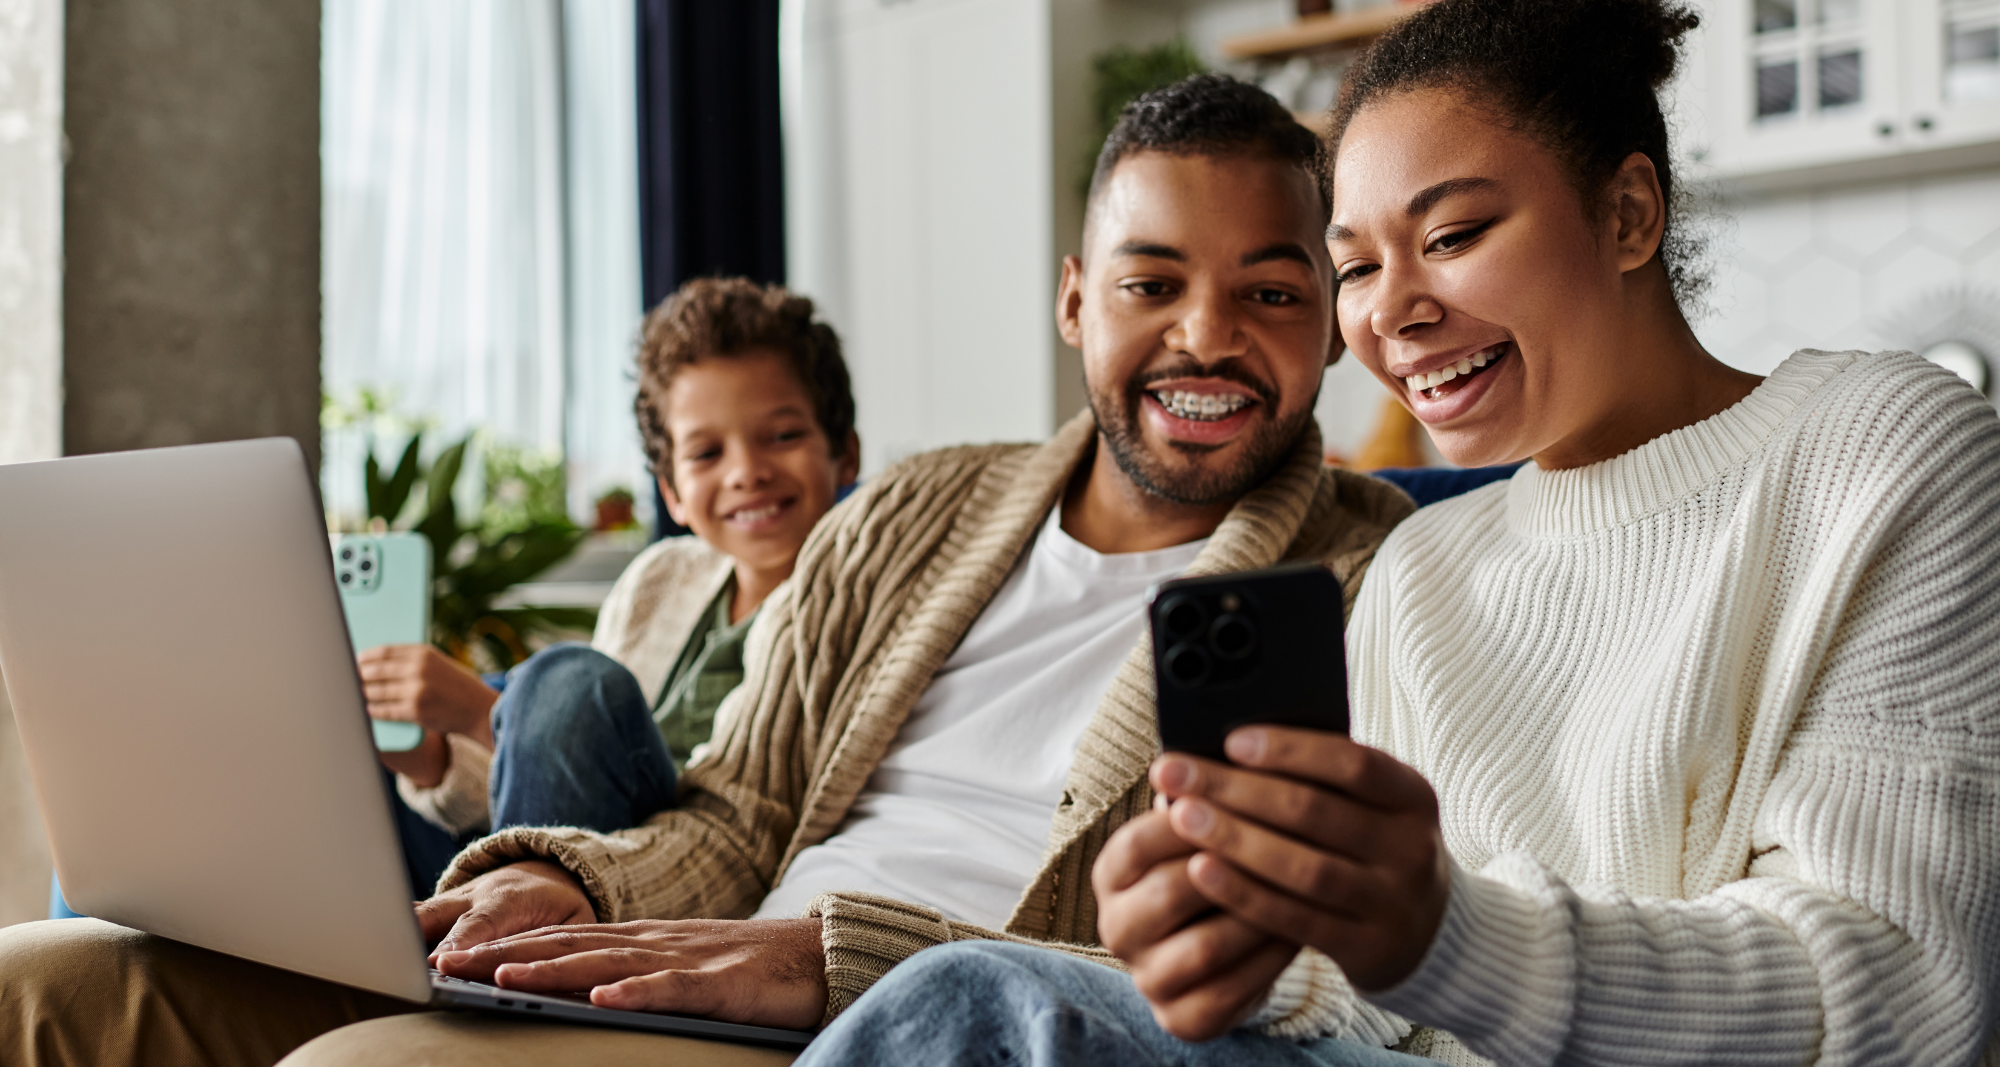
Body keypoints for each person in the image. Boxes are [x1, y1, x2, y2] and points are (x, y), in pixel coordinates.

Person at [0, 73, 1415, 1067]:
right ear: (1072, 300)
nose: (1206, 335)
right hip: (688, 962)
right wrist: (576, 885)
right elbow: (738, 802)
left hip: (859, 1023)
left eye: (1271, 292)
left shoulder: (1373, 583)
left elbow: (1293, 986)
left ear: (1337, 321)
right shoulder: (919, 506)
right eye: (1150, 282)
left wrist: (829, 955)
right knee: (44, 984)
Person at [797, 1, 2000, 1065]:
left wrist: (1444, 933)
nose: (1395, 313)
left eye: (1451, 236)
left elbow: (1896, 988)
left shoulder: (1882, 450)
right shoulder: (1428, 568)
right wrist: (1241, 949)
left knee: (976, 1006)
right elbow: (1385, 1004)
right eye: (1355, 266)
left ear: (1627, 211)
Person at [367, 277, 861, 893]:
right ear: (673, 492)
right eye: (707, 454)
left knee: (569, 683)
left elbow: (737, 821)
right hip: (575, 853)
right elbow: (560, 789)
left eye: (782, 437)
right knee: (359, 747)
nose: (747, 472)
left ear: (845, 455)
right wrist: (431, 758)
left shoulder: (851, 603)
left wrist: (482, 714)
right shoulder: (661, 578)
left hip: (682, 878)